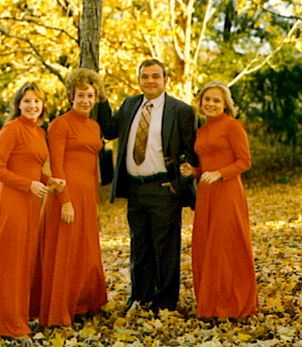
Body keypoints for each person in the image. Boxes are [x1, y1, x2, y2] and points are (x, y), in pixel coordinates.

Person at [0, 82, 65, 344]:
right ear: (18, 104)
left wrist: (48, 179)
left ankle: (13, 315)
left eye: (37, 101)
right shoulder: (11, 129)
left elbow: (29, 167)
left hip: (31, 204)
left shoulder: (39, 132)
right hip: (11, 203)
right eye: (27, 101)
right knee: (8, 262)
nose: (32, 106)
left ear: (43, 105)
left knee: (23, 261)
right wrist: (28, 184)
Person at [98, 59, 197, 314]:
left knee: (165, 248)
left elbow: (193, 151)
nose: (150, 81)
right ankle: (139, 297)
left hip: (164, 188)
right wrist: (99, 96)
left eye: (155, 76)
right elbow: (109, 131)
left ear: (165, 80)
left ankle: (164, 302)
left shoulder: (181, 111)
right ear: (138, 79)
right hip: (135, 189)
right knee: (139, 246)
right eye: (145, 76)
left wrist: (179, 184)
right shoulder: (131, 104)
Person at [180, 81, 257, 319]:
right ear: (201, 102)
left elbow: (244, 161)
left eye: (216, 100)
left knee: (226, 247)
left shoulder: (232, 126)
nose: (211, 104)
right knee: (206, 246)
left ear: (225, 104)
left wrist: (220, 173)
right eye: (207, 99)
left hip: (228, 193)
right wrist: (193, 171)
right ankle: (211, 305)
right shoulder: (201, 131)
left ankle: (234, 305)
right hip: (206, 195)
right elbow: (205, 166)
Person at [39, 68, 108, 326]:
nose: (85, 100)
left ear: (96, 96)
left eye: (90, 95)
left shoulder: (94, 125)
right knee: (66, 252)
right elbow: (57, 166)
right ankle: (60, 309)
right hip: (64, 197)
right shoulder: (59, 125)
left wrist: (96, 202)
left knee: (86, 251)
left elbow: (92, 168)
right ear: (71, 96)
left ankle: (84, 303)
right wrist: (65, 200)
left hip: (88, 195)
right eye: (80, 95)